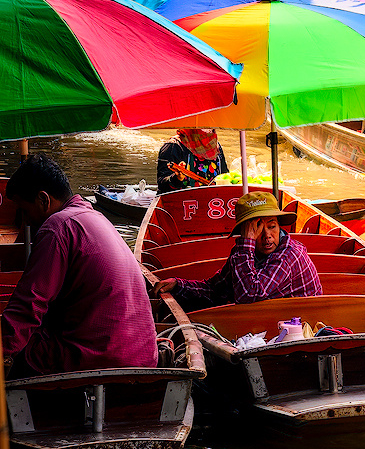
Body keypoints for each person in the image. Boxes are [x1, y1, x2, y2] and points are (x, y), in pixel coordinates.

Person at [2, 154, 158, 377]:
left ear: (43, 199)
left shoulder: (58, 227)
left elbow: (29, 304)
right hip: (144, 355)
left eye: (24, 211)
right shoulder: (96, 217)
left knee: (21, 356)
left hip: (102, 358)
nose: (24, 221)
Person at [155, 191, 321, 311]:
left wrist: (248, 241)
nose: (267, 236)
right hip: (267, 322)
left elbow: (248, 295)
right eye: (257, 229)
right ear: (246, 231)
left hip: (300, 328)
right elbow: (215, 290)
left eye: (272, 227)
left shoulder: (289, 255)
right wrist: (178, 285)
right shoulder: (243, 252)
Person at [157, 128, 229, 191]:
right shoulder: (173, 147)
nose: (209, 130)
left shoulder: (215, 147)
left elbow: (225, 175)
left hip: (213, 202)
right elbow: (162, 184)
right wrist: (177, 178)